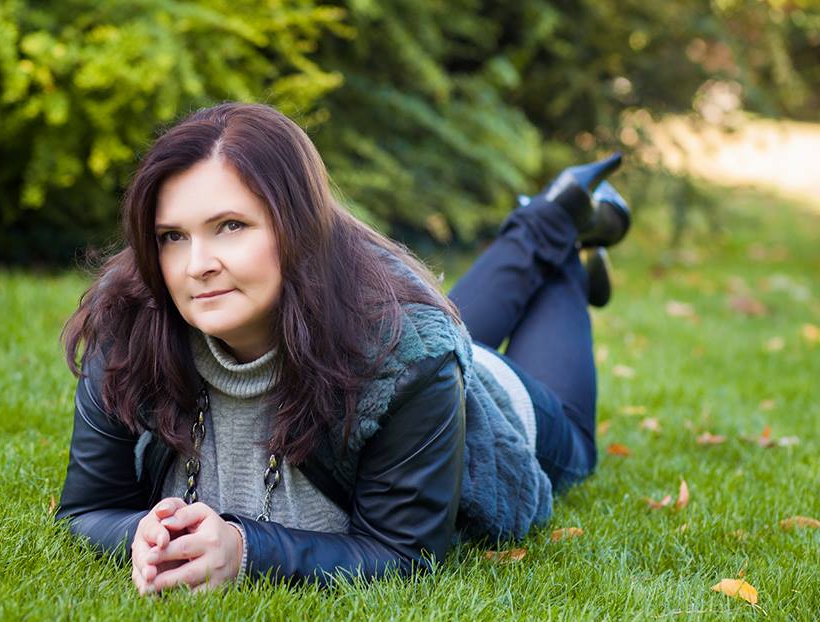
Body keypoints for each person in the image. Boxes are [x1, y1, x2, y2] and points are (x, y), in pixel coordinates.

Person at [55, 102, 631, 595]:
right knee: (429, 330)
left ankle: (564, 242)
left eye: (230, 225)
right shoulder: (129, 323)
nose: (197, 265)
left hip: (491, 409)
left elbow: (404, 553)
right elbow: (87, 510)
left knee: (572, 439)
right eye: (172, 236)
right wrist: (137, 534)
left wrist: (245, 550)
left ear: (296, 226)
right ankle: (549, 218)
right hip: (395, 348)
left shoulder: (410, 359)